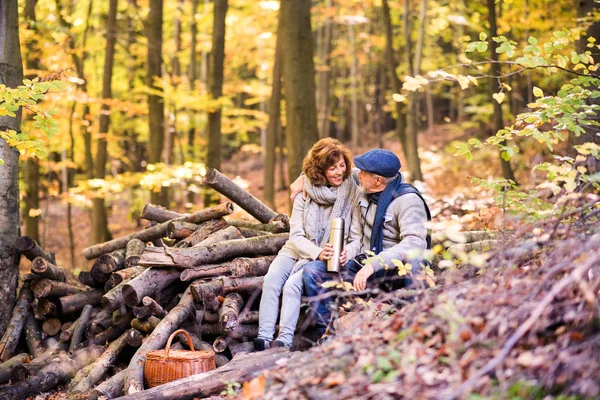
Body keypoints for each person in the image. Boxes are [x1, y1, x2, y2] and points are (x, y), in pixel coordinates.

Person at [301, 148, 431, 338]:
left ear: (378, 180)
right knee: (314, 272)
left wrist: (374, 265)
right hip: (365, 261)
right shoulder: (365, 184)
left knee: (417, 260)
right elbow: (328, 167)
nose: (357, 175)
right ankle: (328, 334)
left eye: (363, 173)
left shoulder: (408, 200)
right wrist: (301, 179)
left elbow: (414, 243)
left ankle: (413, 328)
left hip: (394, 269)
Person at [254, 138, 361, 350]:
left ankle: (283, 341)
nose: (339, 172)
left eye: (342, 165)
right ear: (320, 170)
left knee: (292, 284)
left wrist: (346, 252)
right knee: (272, 279)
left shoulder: (352, 192)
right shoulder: (305, 193)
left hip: (327, 254)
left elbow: (357, 238)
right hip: (298, 248)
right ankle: (263, 337)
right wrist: (317, 252)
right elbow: (296, 236)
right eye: (332, 168)